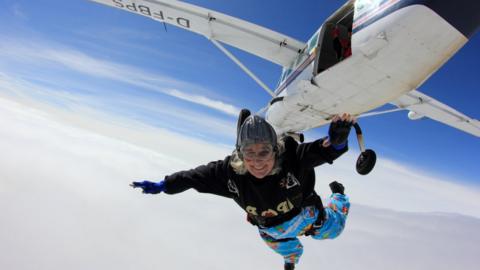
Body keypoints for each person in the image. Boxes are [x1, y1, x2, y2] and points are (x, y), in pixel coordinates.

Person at [132, 112, 354, 270]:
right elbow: (194, 177)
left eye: (264, 152)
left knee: (336, 229)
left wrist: (335, 143)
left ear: (276, 150)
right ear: (240, 154)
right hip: (271, 232)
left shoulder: (292, 160)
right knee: (288, 250)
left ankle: (339, 194)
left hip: (308, 218)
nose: (257, 162)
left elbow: (317, 152)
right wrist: (165, 185)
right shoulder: (230, 174)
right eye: (250, 153)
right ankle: (290, 261)